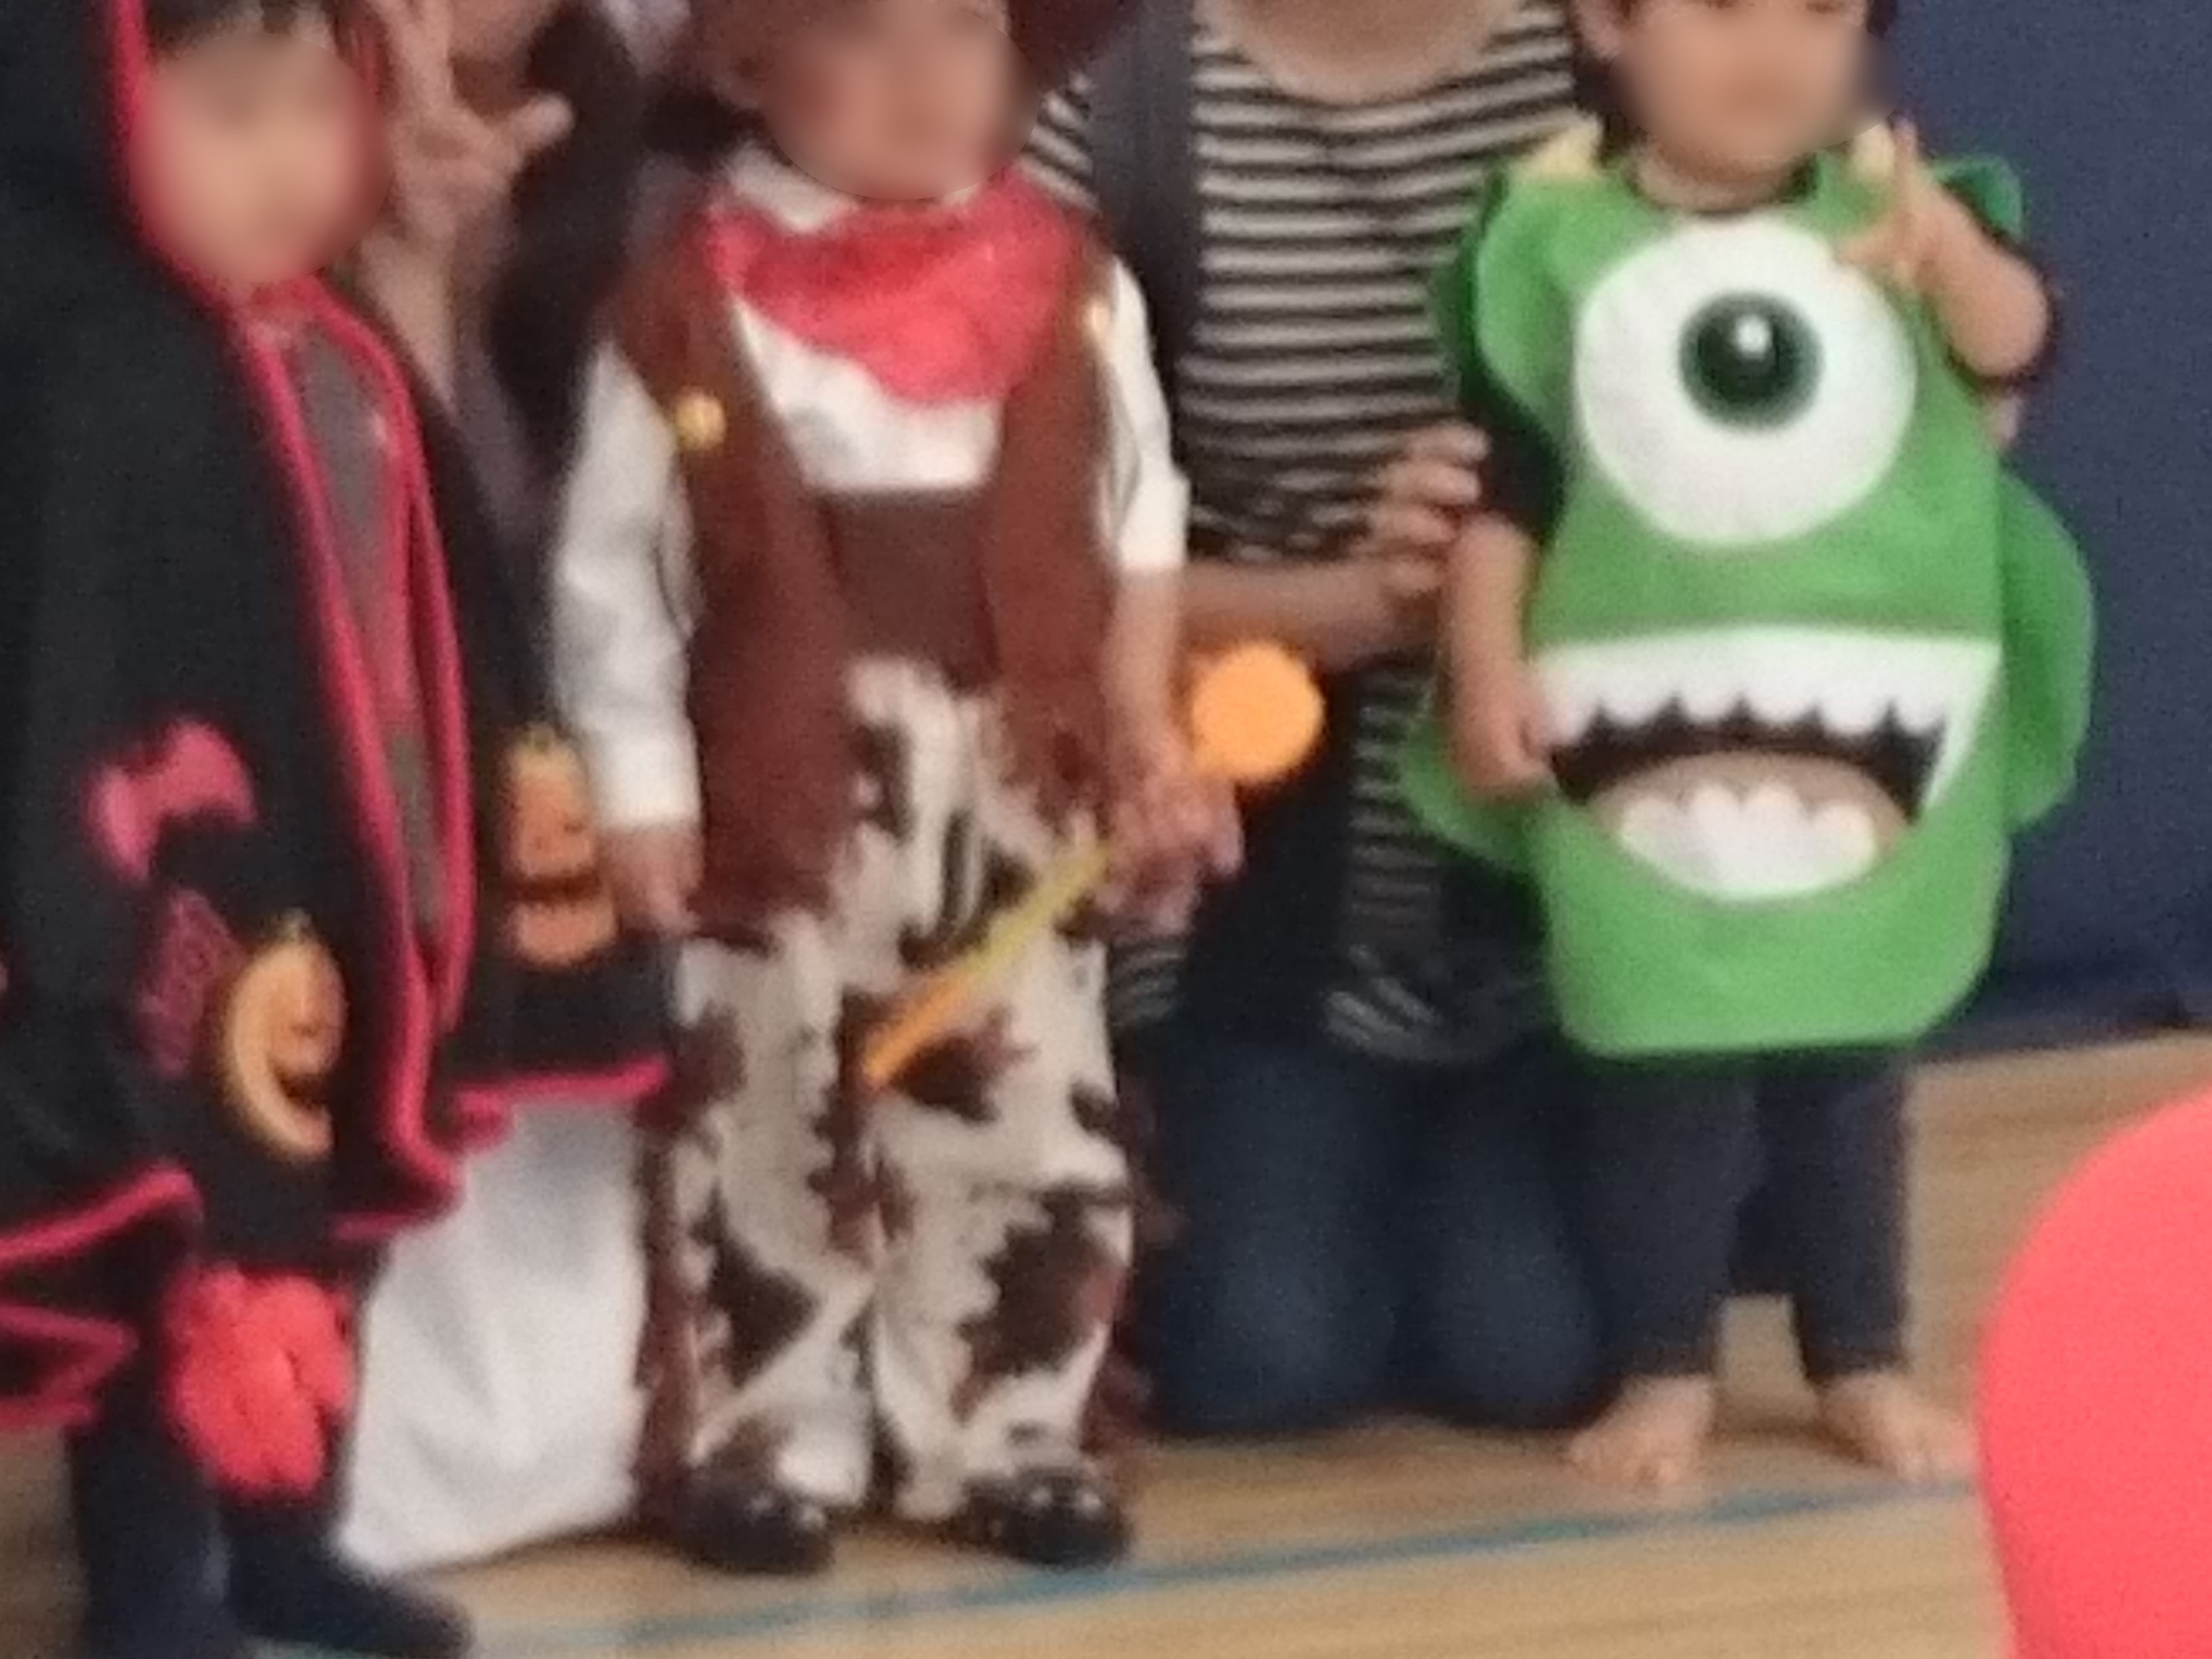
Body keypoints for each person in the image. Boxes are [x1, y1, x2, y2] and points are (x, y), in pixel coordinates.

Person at [0, 0, 660, 1655]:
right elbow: (64, 665)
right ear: (100, 116)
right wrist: (77, 918)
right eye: (231, 115)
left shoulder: (338, 342)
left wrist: (474, 840)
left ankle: (290, 1538)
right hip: (169, 916)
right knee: (179, 1243)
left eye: (319, 105)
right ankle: (155, 1590)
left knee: (327, 1225)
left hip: (355, 883)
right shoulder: (84, 370)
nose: (290, 159)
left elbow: (445, 607)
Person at [551, 0, 1223, 1575]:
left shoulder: (1075, 283)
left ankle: (1005, 1422)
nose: (925, 77)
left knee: (1023, 1096)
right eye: (863, 30)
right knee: (768, 1104)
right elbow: (613, 576)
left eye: (963, 28)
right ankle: (767, 1430)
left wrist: (1142, 726)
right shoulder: (685, 305)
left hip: (1014, 782)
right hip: (775, 791)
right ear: (751, 66)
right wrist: (640, 792)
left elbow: (1139, 524)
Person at [1401, 0, 2089, 1487]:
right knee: (1660, 1064)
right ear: (1609, 23)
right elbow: (1508, 500)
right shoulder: (1557, 245)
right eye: (1721, 7)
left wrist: (1951, 256)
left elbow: (2022, 341)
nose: (1772, 47)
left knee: (1852, 1065)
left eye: (1818, 9)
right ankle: (1667, 1367)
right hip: (1637, 743)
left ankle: (1863, 1359)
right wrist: (1486, 670)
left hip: (1870, 736)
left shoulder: (1904, 214)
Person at [1027, 0, 1612, 1439]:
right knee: (1256, 1357)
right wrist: (1370, 600)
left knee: (1534, 1359)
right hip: (1268, 882)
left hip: (1561, 867)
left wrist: (1525, 556)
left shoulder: (1620, 58)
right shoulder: (1123, 109)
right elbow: (1033, 565)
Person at [339, 0, 672, 1575]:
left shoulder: (648, 176)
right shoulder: (240, 144)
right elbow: (378, 537)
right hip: (361, 773)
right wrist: (404, 252)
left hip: (596, 771)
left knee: (576, 1403)